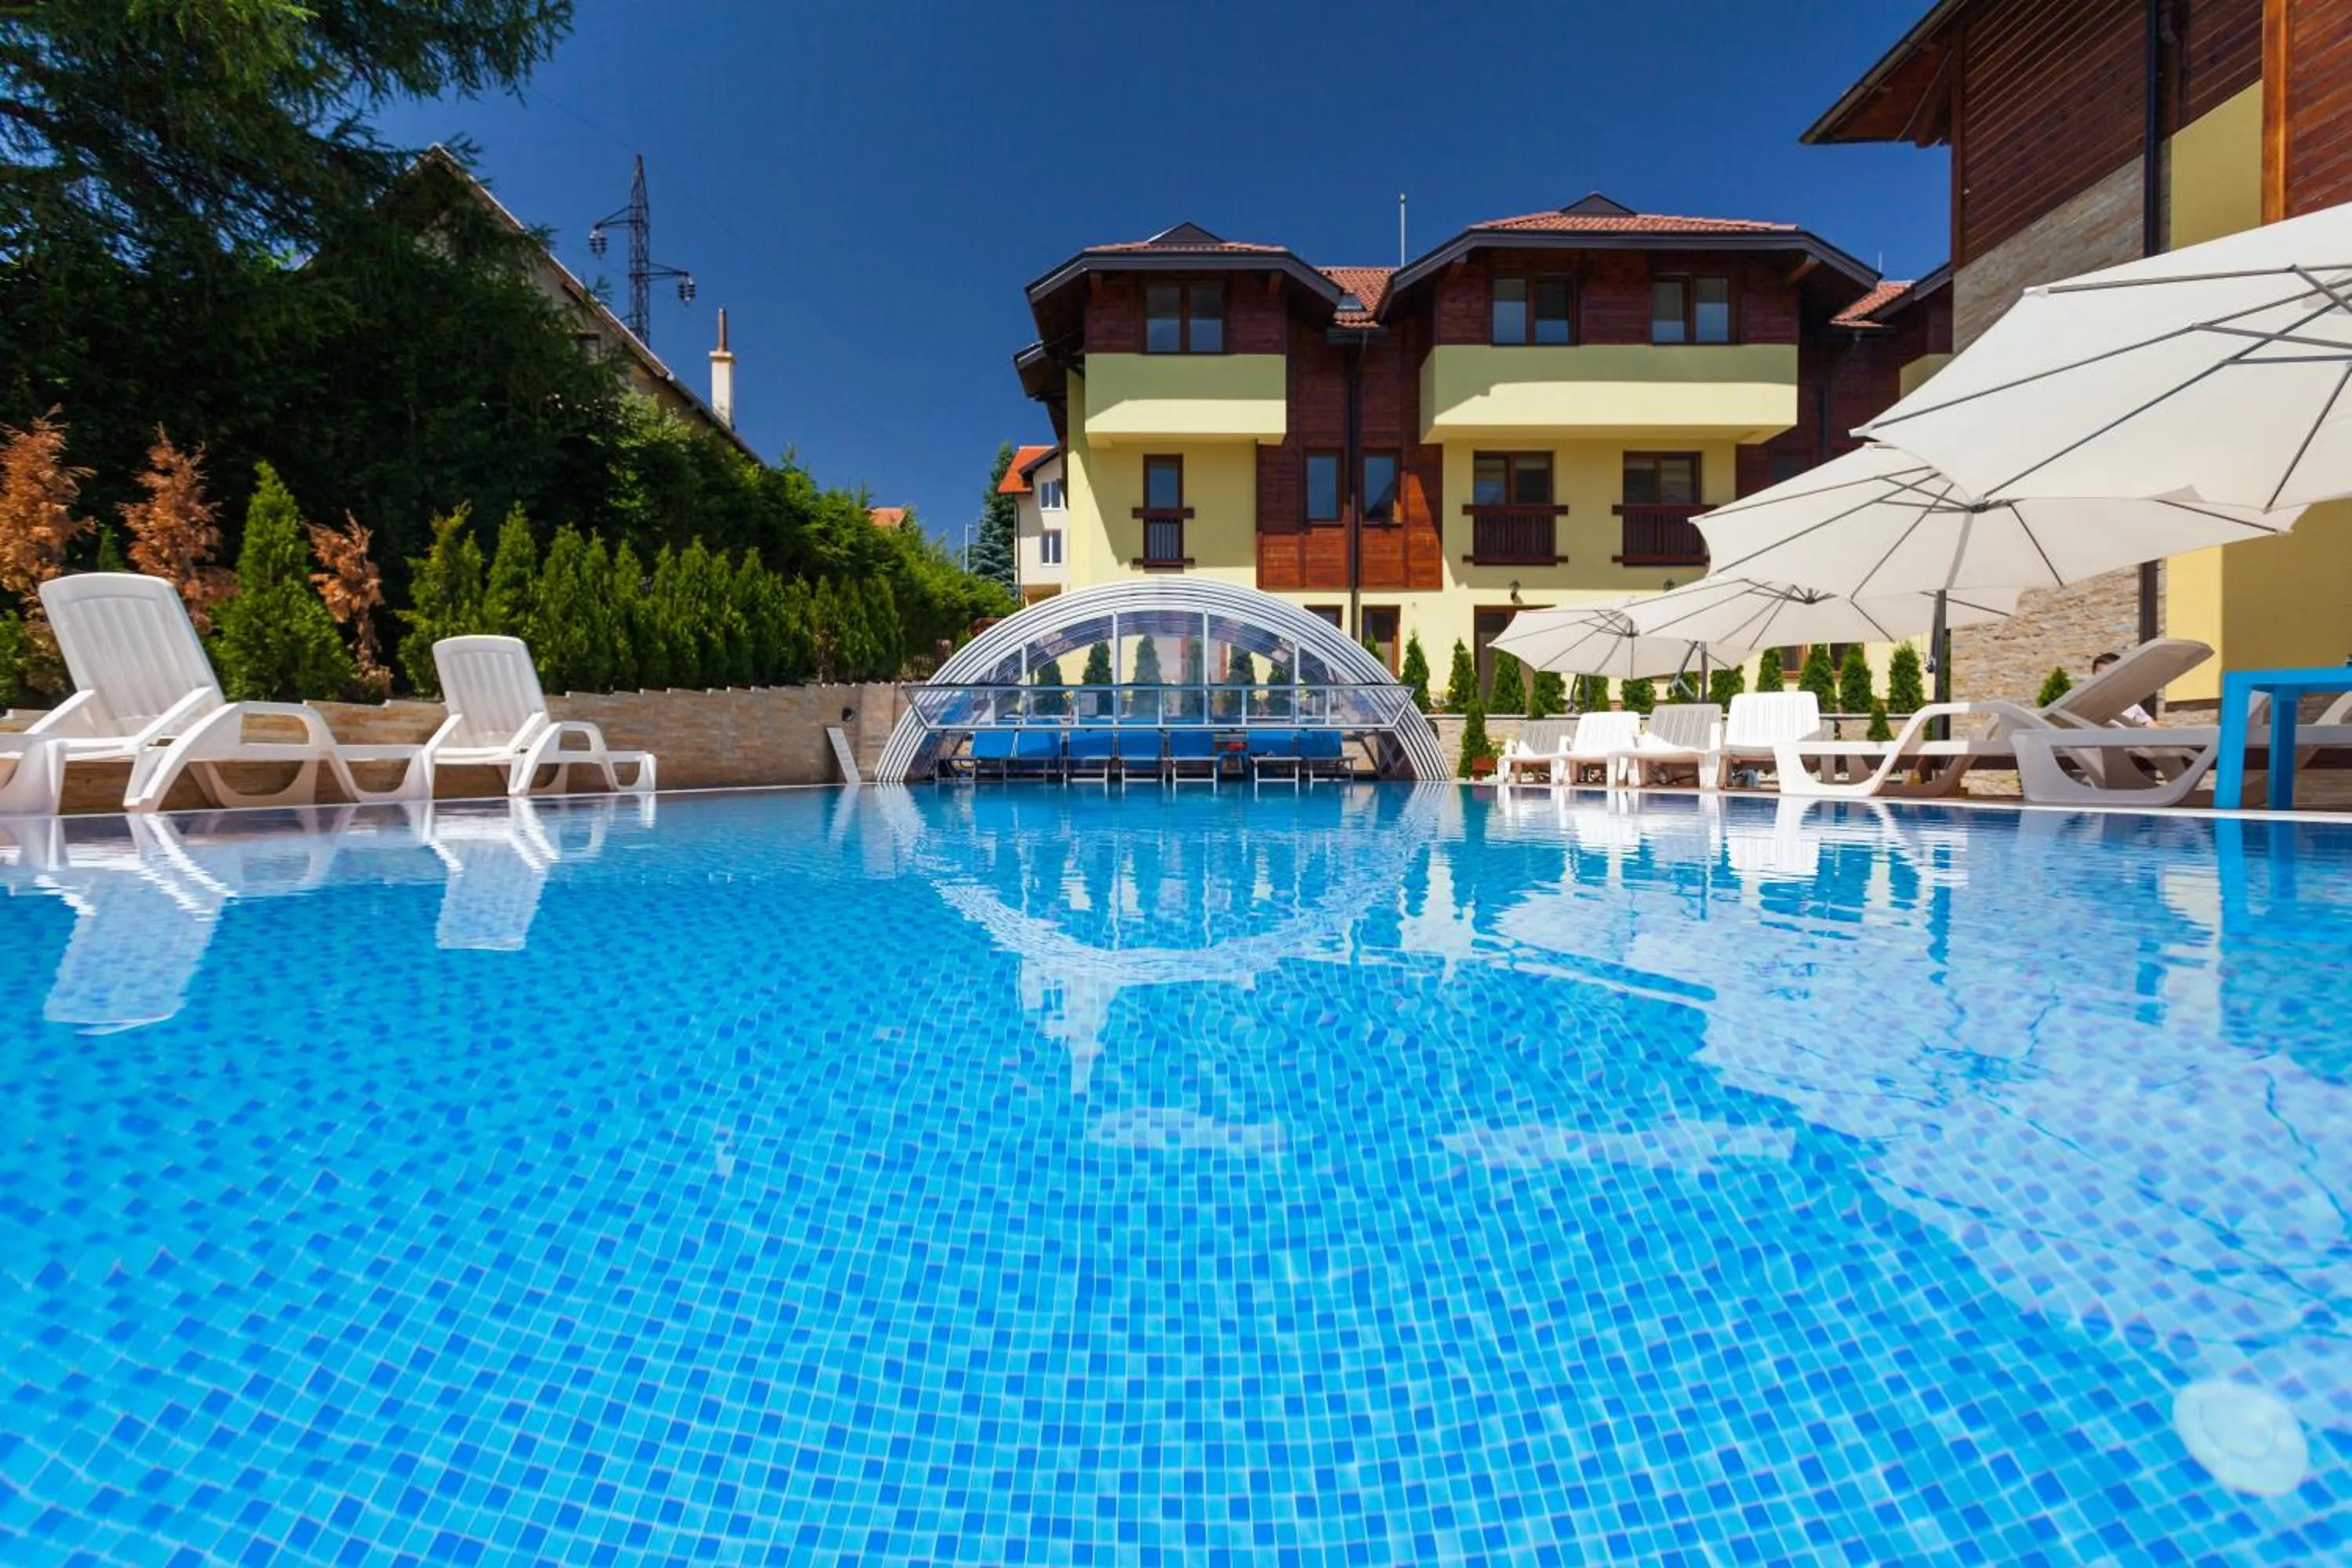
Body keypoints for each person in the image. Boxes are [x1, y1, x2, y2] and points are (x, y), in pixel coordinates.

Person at [2091, 652, 2154, 726]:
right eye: (2101, 673)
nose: (2105, 678)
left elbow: (2151, 725)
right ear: (2094, 674)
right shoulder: (2085, 702)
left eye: (2110, 673)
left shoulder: (2128, 703)